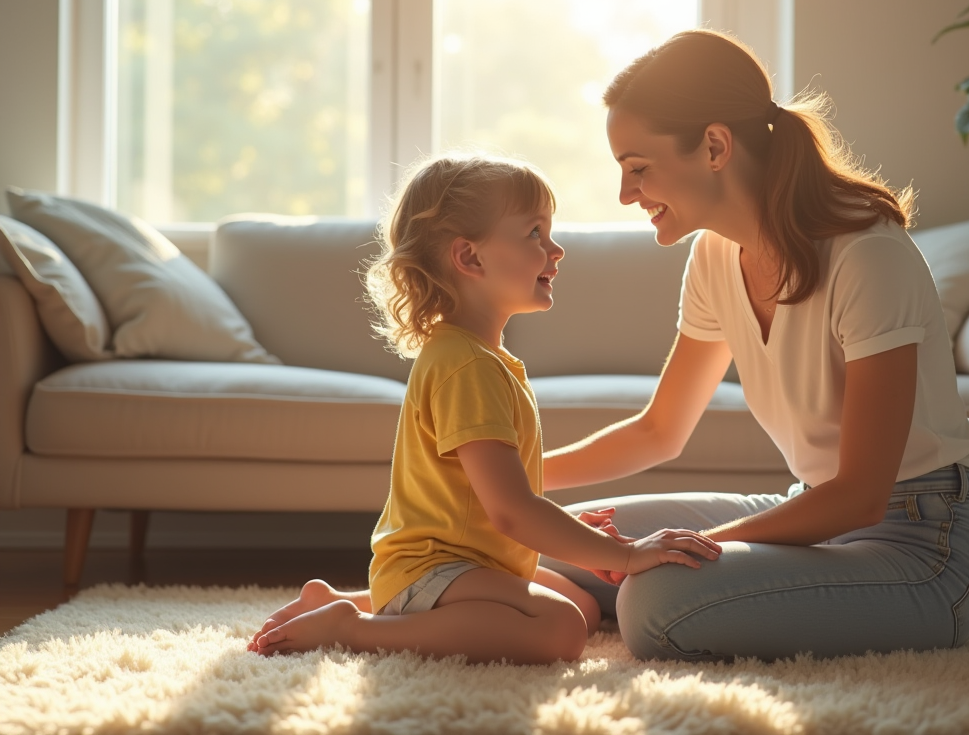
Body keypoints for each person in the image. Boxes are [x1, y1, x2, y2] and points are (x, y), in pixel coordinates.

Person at [539, 30, 969, 661]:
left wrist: (667, 556)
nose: (626, 194)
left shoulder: (868, 256)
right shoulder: (713, 255)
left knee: (655, 598)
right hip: (813, 512)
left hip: (924, 545)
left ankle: (649, 593)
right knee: (554, 537)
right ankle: (606, 593)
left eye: (638, 169)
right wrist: (515, 479)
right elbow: (659, 431)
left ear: (715, 145)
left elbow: (862, 494)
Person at [247, 153, 721, 664]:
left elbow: (490, 497)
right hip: (434, 566)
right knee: (560, 628)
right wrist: (625, 554)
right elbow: (512, 511)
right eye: (535, 234)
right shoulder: (465, 367)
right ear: (470, 258)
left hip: (467, 561)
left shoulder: (483, 359)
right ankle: (355, 628)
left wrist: (585, 538)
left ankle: (345, 601)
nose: (555, 250)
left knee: (580, 605)